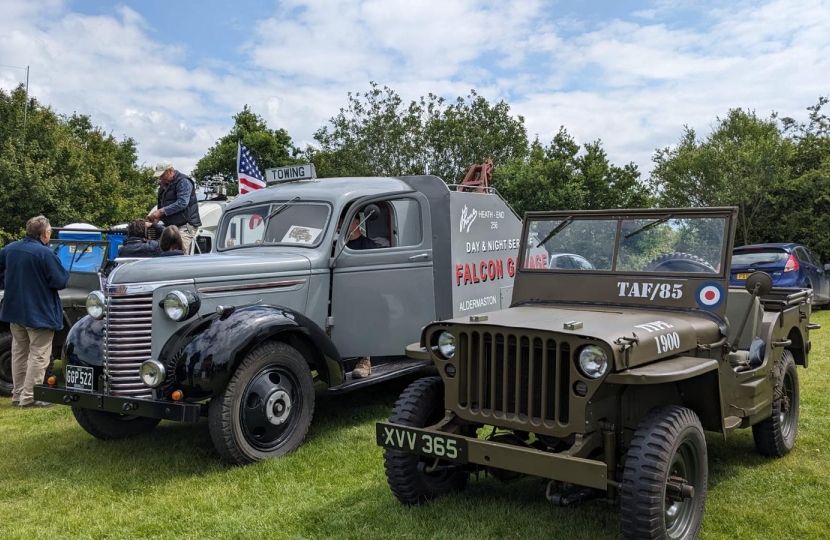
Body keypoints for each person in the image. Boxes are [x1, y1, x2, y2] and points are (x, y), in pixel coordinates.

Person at [0, 216, 69, 408]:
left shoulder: (11, 249)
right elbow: (60, 281)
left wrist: (8, 281)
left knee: (19, 353)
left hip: (15, 310)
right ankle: (30, 397)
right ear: (45, 233)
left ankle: (18, 394)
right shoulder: (44, 253)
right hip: (39, 311)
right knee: (39, 354)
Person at [337, 210, 378, 378]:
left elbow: (373, 278)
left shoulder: (369, 246)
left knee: (363, 311)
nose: (339, 227)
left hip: (364, 294)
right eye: (339, 224)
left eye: (343, 223)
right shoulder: (336, 248)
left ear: (356, 223)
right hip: (341, 294)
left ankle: (365, 359)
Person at [146, 160, 202, 255]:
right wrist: (158, 218)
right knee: (167, 250)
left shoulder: (183, 181)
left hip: (186, 224)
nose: (161, 178)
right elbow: (162, 206)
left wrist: (161, 212)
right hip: (172, 225)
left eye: (162, 175)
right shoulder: (163, 187)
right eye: (160, 176)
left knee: (179, 251)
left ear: (171, 171)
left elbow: (182, 202)